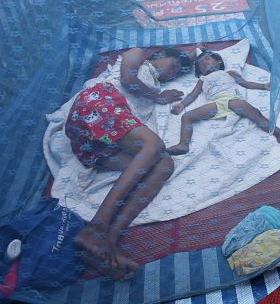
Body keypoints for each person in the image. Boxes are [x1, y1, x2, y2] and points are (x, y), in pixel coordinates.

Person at [65, 46, 193, 280]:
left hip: (102, 142)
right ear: (158, 55)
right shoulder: (138, 56)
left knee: (164, 164)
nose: (172, 73)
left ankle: (109, 241)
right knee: (154, 146)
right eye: (172, 65)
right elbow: (127, 79)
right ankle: (96, 226)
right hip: (95, 105)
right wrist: (159, 96)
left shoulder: (154, 84)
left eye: (176, 73)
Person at [167, 50, 280, 155]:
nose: (204, 62)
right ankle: (183, 144)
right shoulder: (203, 79)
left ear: (219, 62)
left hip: (233, 99)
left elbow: (245, 83)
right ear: (200, 70)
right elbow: (193, 94)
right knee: (186, 116)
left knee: (255, 114)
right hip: (216, 103)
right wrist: (182, 104)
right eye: (201, 63)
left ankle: (279, 133)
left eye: (207, 58)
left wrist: (263, 86)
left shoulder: (229, 73)